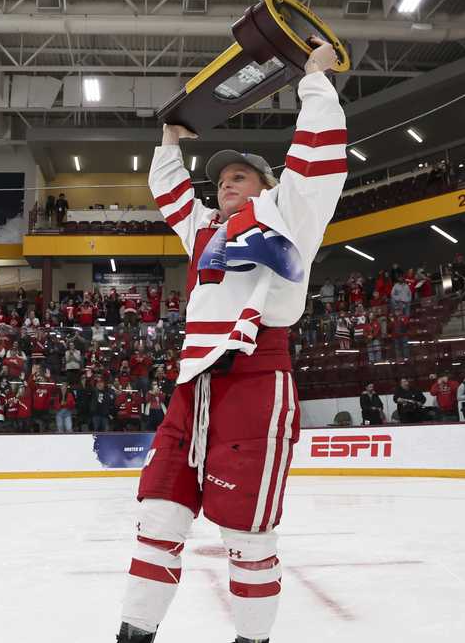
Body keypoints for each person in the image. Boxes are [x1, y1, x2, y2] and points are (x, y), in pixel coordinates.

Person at [117, 37, 345, 643]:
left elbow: (319, 161)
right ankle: (133, 634)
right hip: (192, 385)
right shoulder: (205, 231)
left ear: (268, 184)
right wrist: (170, 142)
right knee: (157, 515)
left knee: (247, 534)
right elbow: (168, 195)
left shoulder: (288, 213)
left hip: (256, 379)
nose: (226, 184)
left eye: (241, 176)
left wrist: (315, 81)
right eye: (220, 178)